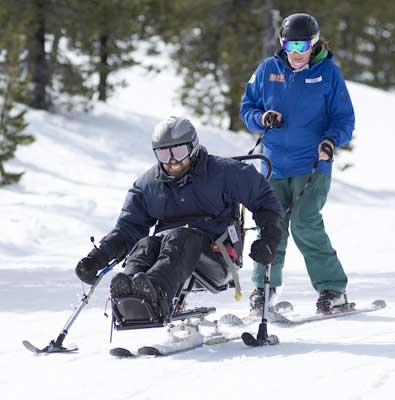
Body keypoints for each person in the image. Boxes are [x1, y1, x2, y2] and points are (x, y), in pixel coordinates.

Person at [75, 116, 283, 319]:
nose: (172, 161)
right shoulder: (148, 185)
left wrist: (269, 237)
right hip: (169, 251)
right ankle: (127, 295)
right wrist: (98, 257)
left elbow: (264, 197)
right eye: (164, 154)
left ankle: (155, 292)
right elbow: (128, 227)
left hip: (218, 256)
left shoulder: (224, 172)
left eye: (178, 152)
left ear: (193, 147)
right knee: (145, 244)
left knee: (180, 237)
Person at [240, 13, 355, 314]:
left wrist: (331, 141)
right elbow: (247, 106)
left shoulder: (328, 72)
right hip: (273, 165)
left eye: (302, 45)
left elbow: (344, 118)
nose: (295, 52)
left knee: (305, 222)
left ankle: (333, 288)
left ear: (314, 44)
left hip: (313, 164)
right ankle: (263, 289)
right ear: (282, 43)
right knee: (271, 224)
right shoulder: (268, 69)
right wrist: (262, 118)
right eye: (289, 44)